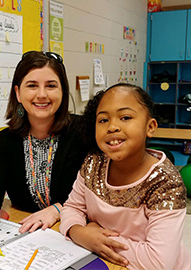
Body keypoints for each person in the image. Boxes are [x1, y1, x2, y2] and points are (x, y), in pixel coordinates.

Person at [0, 51, 89, 257]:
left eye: (51, 85)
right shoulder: (5, 141)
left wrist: (58, 209)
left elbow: (99, 194)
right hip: (28, 240)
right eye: (32, 85)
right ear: (17, 93)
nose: (41, 94)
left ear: (62, 91)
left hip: (74, 236)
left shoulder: (84, 132)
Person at [60, 83, 191, 269]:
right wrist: (78, 232)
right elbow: (73, 207)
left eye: (125, 117)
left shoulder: (166, 182)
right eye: (103, 120)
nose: (112, 127)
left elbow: (159, 262)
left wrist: (98, 241)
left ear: (150, 127)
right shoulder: (94, 162)